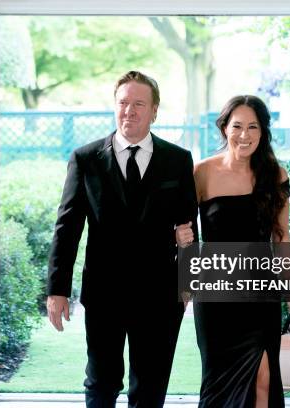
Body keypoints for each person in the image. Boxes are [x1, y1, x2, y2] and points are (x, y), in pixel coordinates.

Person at [46, 70, 198, 408]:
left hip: (160, 295)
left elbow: (189, 228)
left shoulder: (178, 160)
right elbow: (67, 228)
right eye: (123, 103)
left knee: (150, 387)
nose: (129, 111)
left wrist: (188, 284)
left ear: (155, 110)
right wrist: (57, 289)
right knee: (101, 382)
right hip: (104, 293)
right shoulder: (85, 160)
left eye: (138, 104)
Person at [176, 95, 290, 408]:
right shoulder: (201, 173)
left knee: (264, 378)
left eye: (253, 126)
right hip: (216, 299)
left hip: (260, 293)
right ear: (224, 128)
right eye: (237, 125)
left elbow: (281, 236)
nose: (245, 134)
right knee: (219, 384)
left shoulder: (275, 175)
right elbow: (187, 237)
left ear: (263, 131)